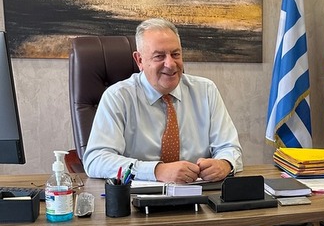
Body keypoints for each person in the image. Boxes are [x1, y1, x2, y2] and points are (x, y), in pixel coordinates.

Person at [83, 18, 243, 182]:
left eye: (175, 54)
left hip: (200, 192)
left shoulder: (206, 90)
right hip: (139, 195)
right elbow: (96, 160)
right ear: (139, 60)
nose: (170, 64)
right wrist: (156, 171)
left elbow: (230, 147)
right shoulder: (119, 96)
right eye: (159, 56)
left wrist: (225, 163)